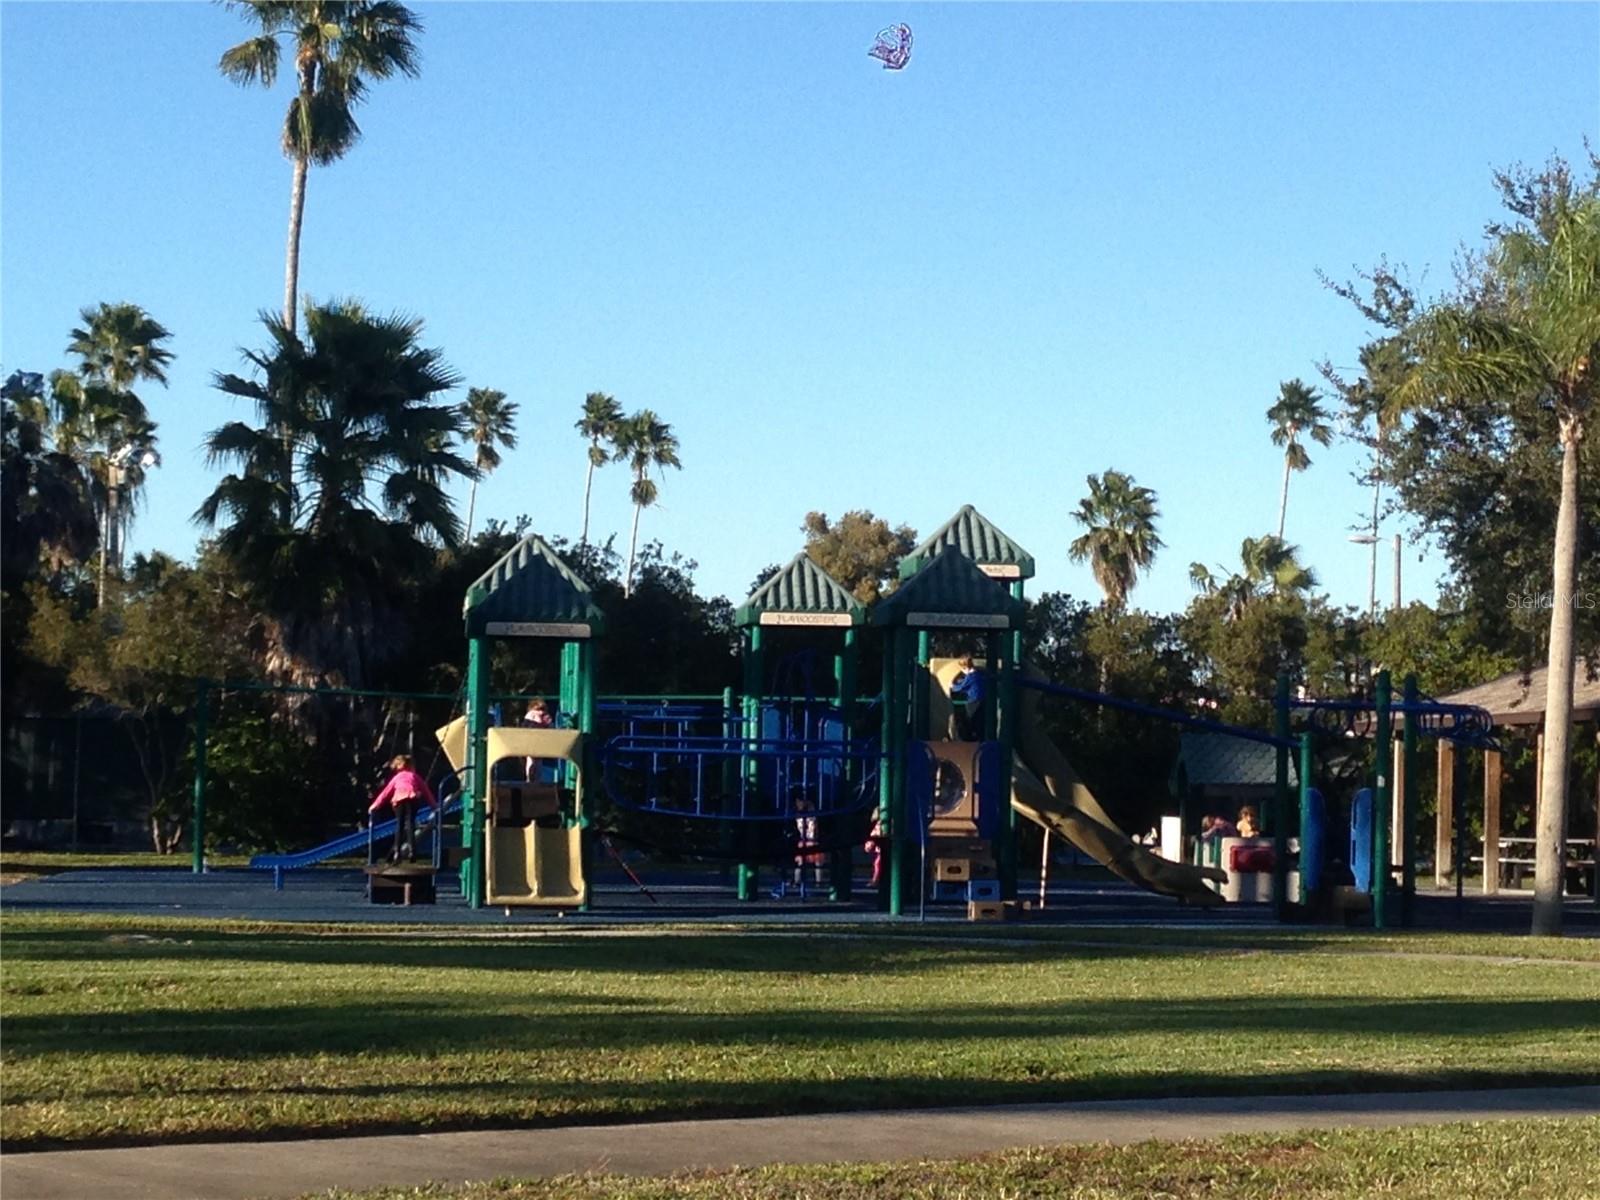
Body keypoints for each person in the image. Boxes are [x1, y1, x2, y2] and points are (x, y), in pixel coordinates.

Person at [370, 754, 436, 864]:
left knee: (399, 826)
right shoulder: (414, 776)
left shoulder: (397, 777)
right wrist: (434, 805)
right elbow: (426, 791)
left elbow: (386, 792)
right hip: (412, 799)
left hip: (399, 801)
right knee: (410, 823)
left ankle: (397, 853)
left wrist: (375, 805)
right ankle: (412, 851)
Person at [949, 654, 986, 741]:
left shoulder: (970, 677)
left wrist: (952, 686)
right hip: (982, 700)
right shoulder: (978, 675)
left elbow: (961, 687)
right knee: (979, 721)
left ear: (966, 667)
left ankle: (969, 738)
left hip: (973, 701)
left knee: (970, 720)